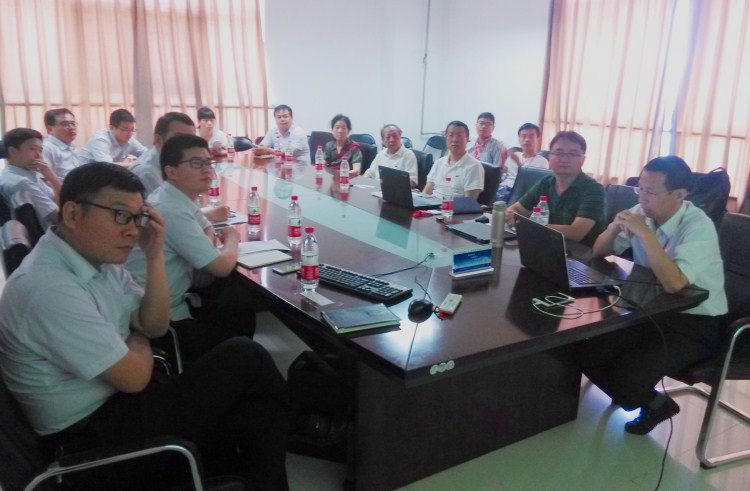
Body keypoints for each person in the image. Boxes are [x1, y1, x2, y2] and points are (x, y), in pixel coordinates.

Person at [0, 162, 288, 489]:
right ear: (72, 214)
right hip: (91, 444)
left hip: (117, 408)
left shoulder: (98, 260)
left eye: (137, 218)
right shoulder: (48, 288)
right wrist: (138, 337)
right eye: (120, 215)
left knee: (258, 412)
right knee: (246, 356)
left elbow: (155, 325)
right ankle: (302, 429)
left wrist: (154, 254)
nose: (133, 231)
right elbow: (135, 377)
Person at [576, 155, 728, 435]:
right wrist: (613, 227)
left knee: (628, 375)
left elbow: (675, 284)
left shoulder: (698, 226)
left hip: (695, 322)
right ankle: (637, 395)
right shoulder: (641, 211)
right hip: (652, 309)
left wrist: (645, 235)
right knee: (586, 350)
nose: (642, 197)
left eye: (651, 192)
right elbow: (599, 251)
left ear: (679, 195)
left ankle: (657, 404)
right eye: (640, 189)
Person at [125, 134, 256, 361]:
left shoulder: (177, 197)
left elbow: (207, 230)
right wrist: (232, 239)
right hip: (162, 321)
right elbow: (221, 266)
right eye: (196, 163)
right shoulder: (170, 208)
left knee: (239, 309)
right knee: (243, 337)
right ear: (172, 171)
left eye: (208, 163)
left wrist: (208, 249)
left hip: (178, 298)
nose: (207, 170)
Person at [504, 131, 605, 247]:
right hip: (546, 245)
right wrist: (511, 215)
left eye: (572, 154)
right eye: (559, 153)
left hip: (581, 254)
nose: (564, 159)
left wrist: (528, 224)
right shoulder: (546, 182)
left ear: (583, 160)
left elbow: (577, 232)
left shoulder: (594, 189)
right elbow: (516, 208)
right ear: (550, 157)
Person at [130, 112, 231, 223]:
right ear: (158, 139)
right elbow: (165, 217)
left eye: (191, 140)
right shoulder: (147, 172)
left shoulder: (177, 164)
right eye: (179, 139)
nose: (187, 146)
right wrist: (209, 214)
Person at [0, 128, 61, 228]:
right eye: (32, 149)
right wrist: (53, 179)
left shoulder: (28, 173)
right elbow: (59, 218)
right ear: (13, 151)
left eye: (40, 150)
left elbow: (57, 199)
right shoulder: (22, 182)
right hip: (55, 231)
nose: (38, 156)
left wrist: (51, 177)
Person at [422, 120, 485, 199]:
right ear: (445, 137)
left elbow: (469, 202)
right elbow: (426, 192)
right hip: (432, 205)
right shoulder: (439, 162)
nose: (454, 139)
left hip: (454, 206)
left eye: (459, 135)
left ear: (467, 139)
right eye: (451, 135)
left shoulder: (474, 166)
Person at [496, 123, 549, 202]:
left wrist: (518, 163)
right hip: (502, 189)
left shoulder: (542, 162)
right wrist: (502, 159)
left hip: (520, 194)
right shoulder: (514, 155)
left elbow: (531, 185)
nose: (527, 140)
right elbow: (501, 175)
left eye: (531, 136)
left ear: (537, 139)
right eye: (523, 136)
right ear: (519, 139)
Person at [78, 108, 148, 164]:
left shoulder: (130, 140)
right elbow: (108, 167)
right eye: (125, 129)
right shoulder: (100, 139)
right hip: (83, 174)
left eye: (132, 129)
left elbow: (147, 155)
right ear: (111, 128)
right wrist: (133, 165)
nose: (129, 133)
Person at [42, 108, 80, 179]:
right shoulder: (46, 148)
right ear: (50, 129)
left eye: (73, 124)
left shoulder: (70, 144)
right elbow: (45, 180)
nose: (71, 127)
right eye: (65, 124)